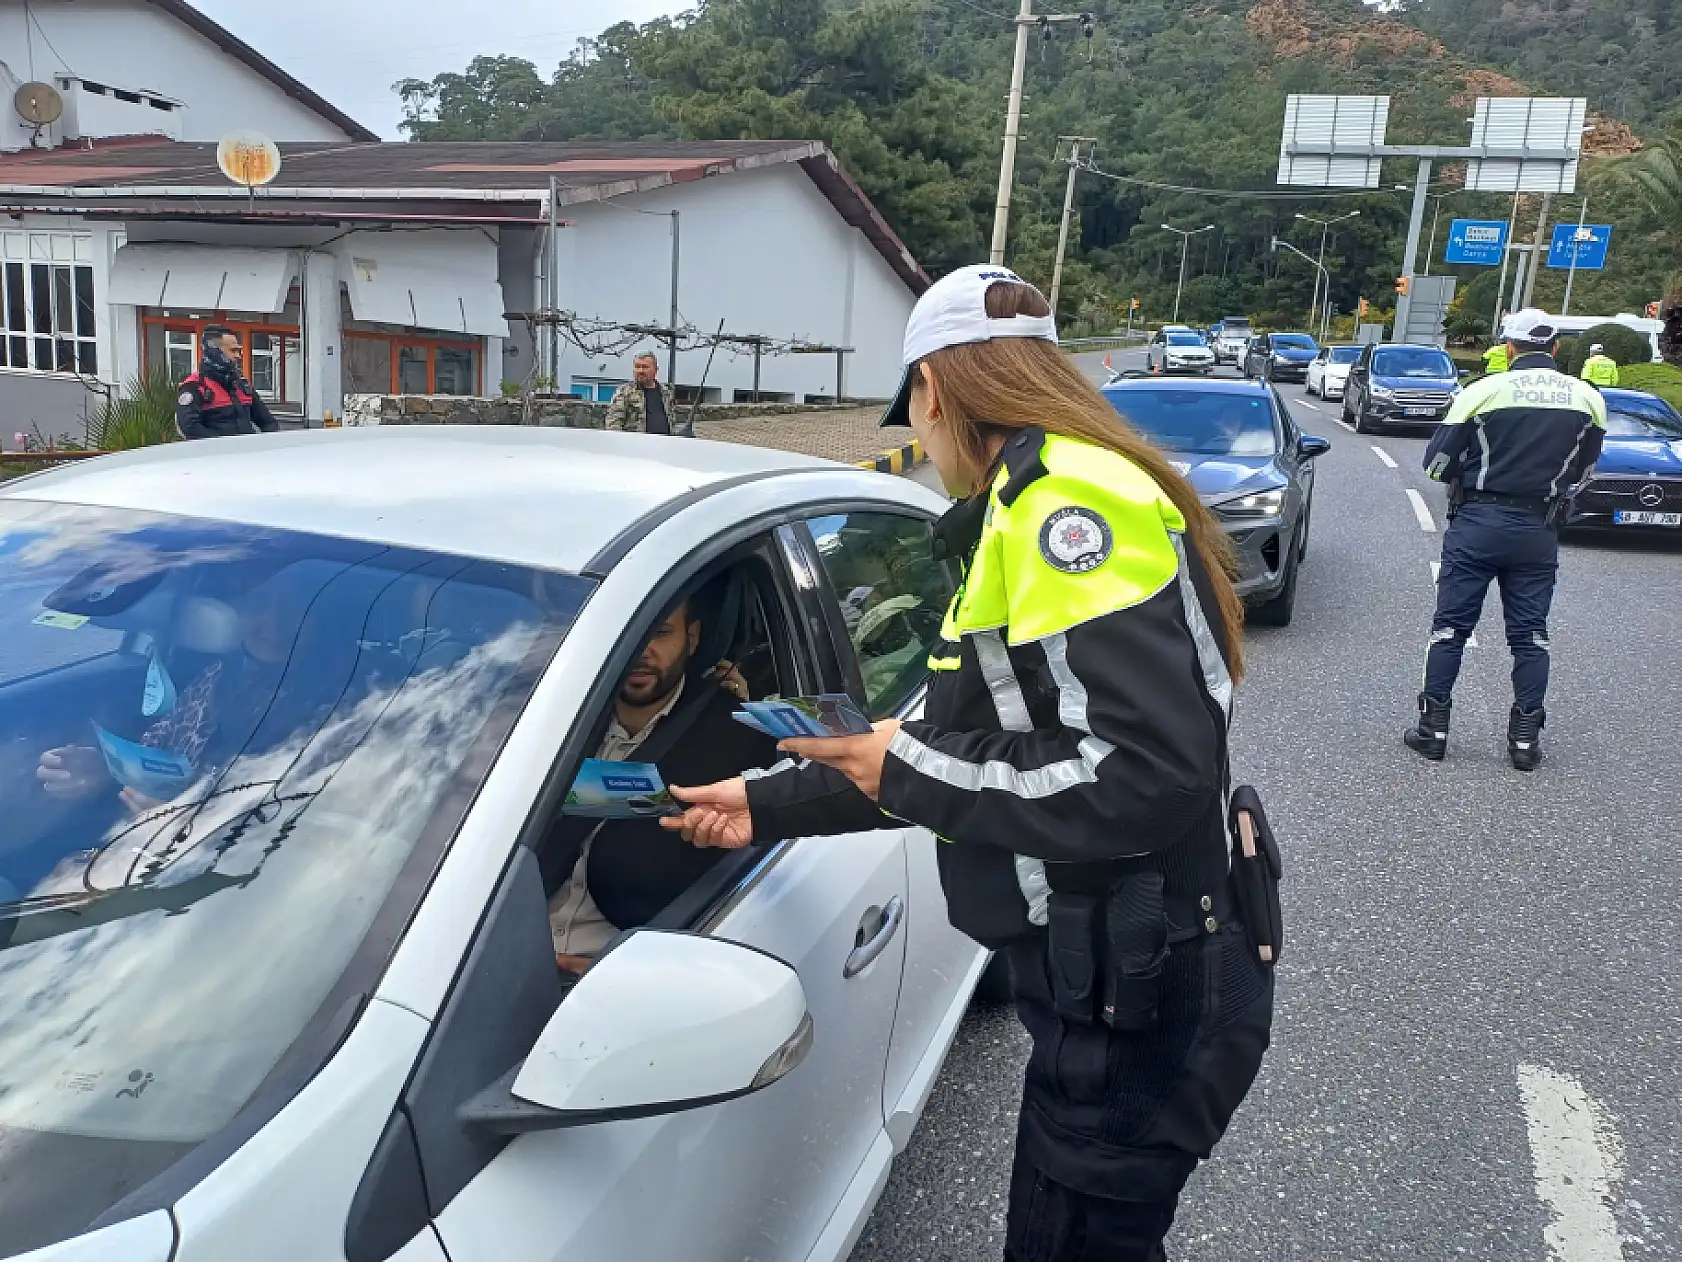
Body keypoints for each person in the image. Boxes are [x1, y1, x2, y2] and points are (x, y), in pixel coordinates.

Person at [664, 265, 1274, 1262]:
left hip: (1143, 998)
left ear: (934, 391)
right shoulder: (1025, 503)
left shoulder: (1061, 508)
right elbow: (969, 747)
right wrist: (762, 800)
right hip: (1117, 978)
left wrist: (898, 767)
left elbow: (1143, 774)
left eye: (910, 404)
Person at [1405, 308, 1607, 771]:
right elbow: (1586, 470)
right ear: (1555, 348)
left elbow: (1435, 465)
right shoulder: (1587, 397)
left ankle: (1432, 731)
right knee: (1531, 637)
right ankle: (1524, 743)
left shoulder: (1482, 392)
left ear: (1509, 348)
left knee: (1450, 628)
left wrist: (1471, 474)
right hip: (1539, 528)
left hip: (1478, 521)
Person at [544, 593, 773, 972]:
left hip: (627, 969)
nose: (641, 650)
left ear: (692, 638)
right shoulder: (545, 723)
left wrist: (629, 970)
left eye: (661, 633)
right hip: (501, 945)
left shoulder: (737, 737)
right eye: (627, 634)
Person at [175, 326, 280, 440]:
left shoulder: (242, 385)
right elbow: (189, 427)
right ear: (214, 351)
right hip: (215, 455)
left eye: (238, 351)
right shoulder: (194, 386)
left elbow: (269, 423)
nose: (238, 356)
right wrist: (224, 446)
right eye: (233, 350)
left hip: (248, 454)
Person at [604, 351, 681, 436]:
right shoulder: (624, 393)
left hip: (663, 445)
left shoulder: (666, 393)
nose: (640, 371)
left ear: (655, 370)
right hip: (635, 445)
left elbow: (673, 422)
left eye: (645, 367)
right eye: (637, 367)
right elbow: (613, 424)